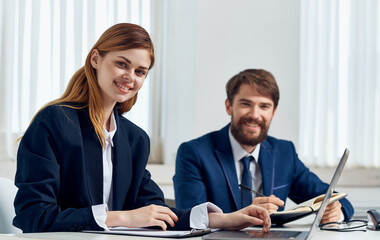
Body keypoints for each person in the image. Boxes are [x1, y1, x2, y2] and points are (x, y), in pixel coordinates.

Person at [13, 24, 271, 233]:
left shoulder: (134, 138)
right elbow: (34, 215)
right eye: (122, 64)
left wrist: (223, 219)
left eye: (140, 71)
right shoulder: (55, 121)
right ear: (95, 58)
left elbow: (155, 210)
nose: (130, 77)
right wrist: (122, 217)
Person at [173, 69, 354, 224]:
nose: (254, 115)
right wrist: (240, 216)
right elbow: (189, 217)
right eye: (246, 104)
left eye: (264, 106)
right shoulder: (194, 153)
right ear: (229, 106)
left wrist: (335, 213)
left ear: (273, 112)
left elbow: (335, 198)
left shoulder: (284, 153)